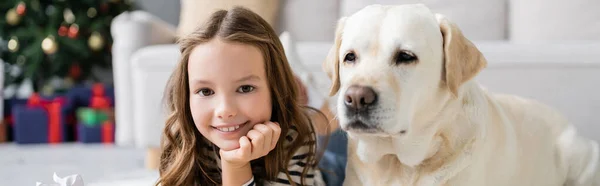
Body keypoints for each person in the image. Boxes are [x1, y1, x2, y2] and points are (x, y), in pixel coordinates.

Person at [155, 6, 331, 186]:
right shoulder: (185, 135)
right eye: (206, 91)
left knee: (340, 139)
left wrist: (235, 165)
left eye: (245, 88)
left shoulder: (295, 135)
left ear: (274, 88)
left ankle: (304, 85)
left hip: (327, 172)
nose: (225, 111)